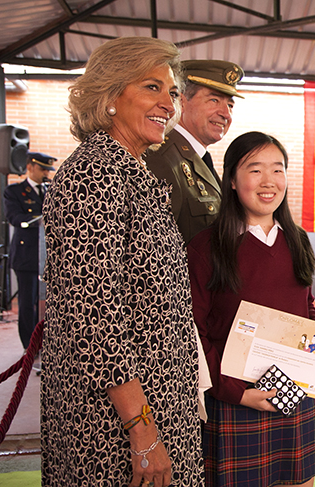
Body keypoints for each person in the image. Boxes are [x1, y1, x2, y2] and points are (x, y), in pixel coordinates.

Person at [41, 37, 203, 486]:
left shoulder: (133, 170)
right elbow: (95, 314)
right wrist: (143, 432)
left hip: (156, 400)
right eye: (152, 87)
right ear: (111, 95)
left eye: (171, 92)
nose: (167, 104)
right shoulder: (95, 173)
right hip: (116, 423)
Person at [187, 131, 315, 487]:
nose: (268, 181)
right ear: (231, 180)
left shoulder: (297, 239)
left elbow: (304, 307)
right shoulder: (207, 247)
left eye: (278, 169)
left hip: (294, 391)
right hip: (233, 399)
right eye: (255, 170)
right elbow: (192, 333)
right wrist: (236, 393)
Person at [146, 59, 242, 245]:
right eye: (214, 100)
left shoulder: (197, 157)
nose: (226, 114)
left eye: (230, 105)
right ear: (181, 102)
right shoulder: (162, 158)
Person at [3, 151, 55, 355]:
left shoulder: (50, 189)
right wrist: (40, 217)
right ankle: (30, 346)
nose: (45, 173)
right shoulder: (14, 191)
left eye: (47, 170)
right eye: (42, 168)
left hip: (47, 257)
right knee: (28, 303)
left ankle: (46, 342)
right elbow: (15, 217)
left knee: (46, 302)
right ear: (30, 166)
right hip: (26, 256)